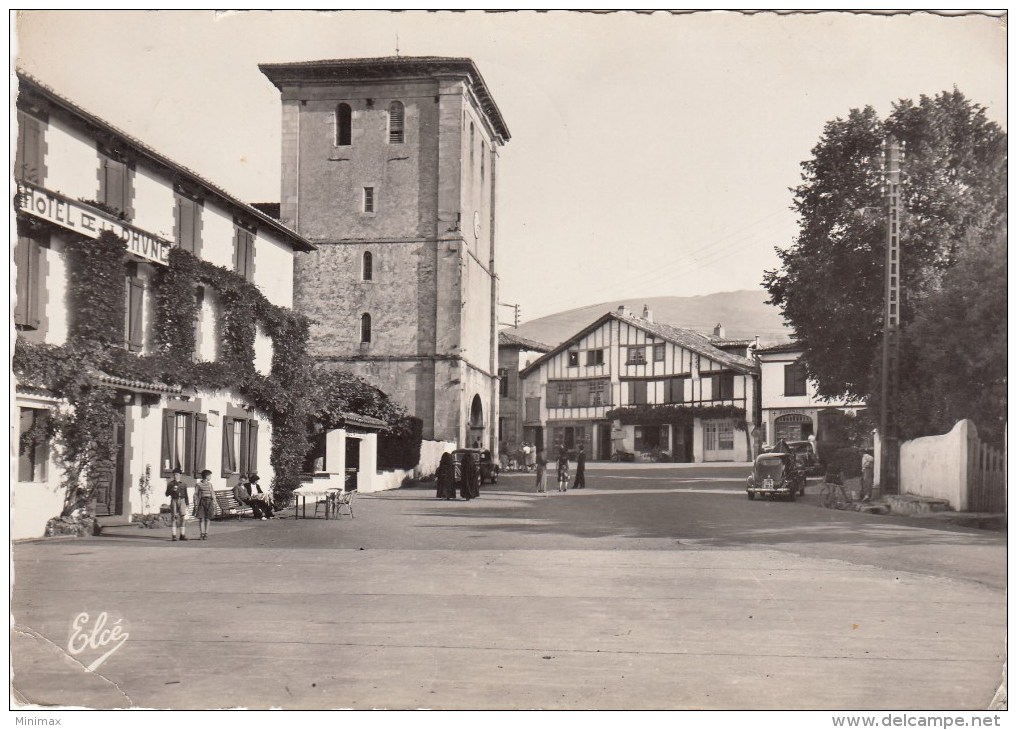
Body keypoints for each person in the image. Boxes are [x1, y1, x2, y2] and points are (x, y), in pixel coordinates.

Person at [165, 467, 189, 542]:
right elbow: (166, 494)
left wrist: (187, 503)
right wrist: (171, 490)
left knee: (182, 517)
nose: (175, 476)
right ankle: (174, 535)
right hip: (174, 500)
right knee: (173, 517)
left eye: (177, 474)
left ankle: (182, 534)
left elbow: (186, 494)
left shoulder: (183, 484)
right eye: (174, 474)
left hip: (181, 500)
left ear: (180, 475)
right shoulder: (170, 484)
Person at [194, 469, 216, 540]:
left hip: (209, 501)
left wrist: (214, 502)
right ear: (206, 476)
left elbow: (212, 493)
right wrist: (196, 504)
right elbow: (196, 494)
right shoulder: (198, 484)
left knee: (208, 518)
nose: (211, 477)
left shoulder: (210, 484)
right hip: (202, 501)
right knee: (201, 518)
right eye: (210, 476)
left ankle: (206, 533)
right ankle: (202, 533)